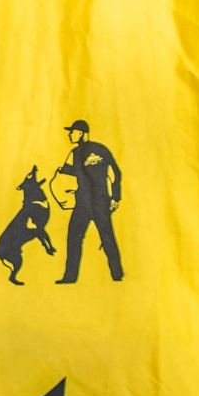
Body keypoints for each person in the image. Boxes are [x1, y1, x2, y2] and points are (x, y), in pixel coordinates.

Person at [54, 118, 125, 283]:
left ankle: (117, 275)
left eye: (73, 131)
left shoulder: (99, 149)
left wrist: (115, 197)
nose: (70, 135)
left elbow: (116, 172)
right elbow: (77, 173)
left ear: (82, 133)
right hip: (82, 204)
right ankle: (70, 277)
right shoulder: (73, 153)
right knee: (73, 238)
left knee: (107, 238)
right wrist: (64, 170)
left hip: (100, 202)